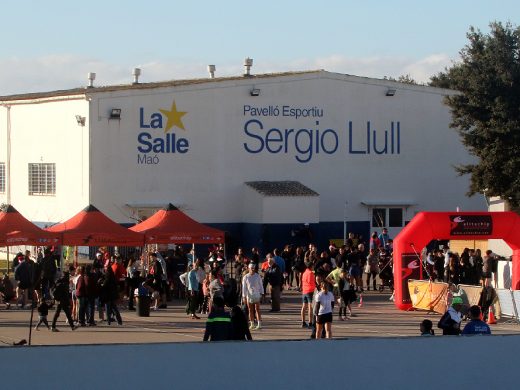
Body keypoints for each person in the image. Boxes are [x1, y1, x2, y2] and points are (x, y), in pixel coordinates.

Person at [242, 263, 264, 330]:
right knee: (250, 310)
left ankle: (259, 324)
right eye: (251, 268)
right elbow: (244, 288)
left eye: (253, 268)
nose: (253, 269)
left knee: (257, 310)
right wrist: (244, 296)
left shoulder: (257, 276)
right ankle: (252, 324)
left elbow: (261, 285)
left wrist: (262, 293)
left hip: (256, 295)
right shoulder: (245, 277)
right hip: (249, 296)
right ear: (248, 269)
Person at [300, 262, 316, 328]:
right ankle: (310, 322)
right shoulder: (311, 273)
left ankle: (303, 322)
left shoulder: (304, 272)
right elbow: (311, 282)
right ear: (311, 266)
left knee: (304, 307)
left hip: (305, 290)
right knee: (310, 307)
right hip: (310, 291)